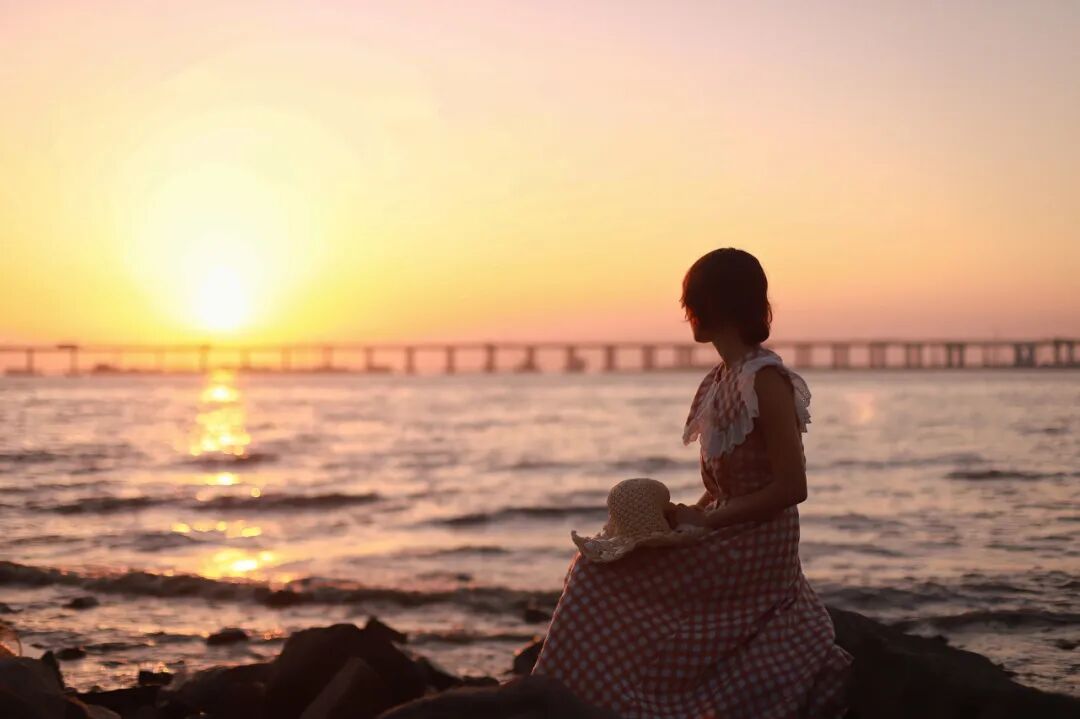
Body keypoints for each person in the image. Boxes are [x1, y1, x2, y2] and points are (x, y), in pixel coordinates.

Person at [531, 248, 852, 718]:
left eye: (692, 305)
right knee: (600, 564)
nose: (688, 316)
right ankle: (583, 699)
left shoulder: (767, 381)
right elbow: (723, 483)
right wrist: (690, 517)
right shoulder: (719, 380)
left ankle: (585, 704)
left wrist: (706, 521)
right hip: (728, 528)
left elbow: (790, 488)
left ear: (716, 306)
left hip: (760, 545)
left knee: (598, 577)